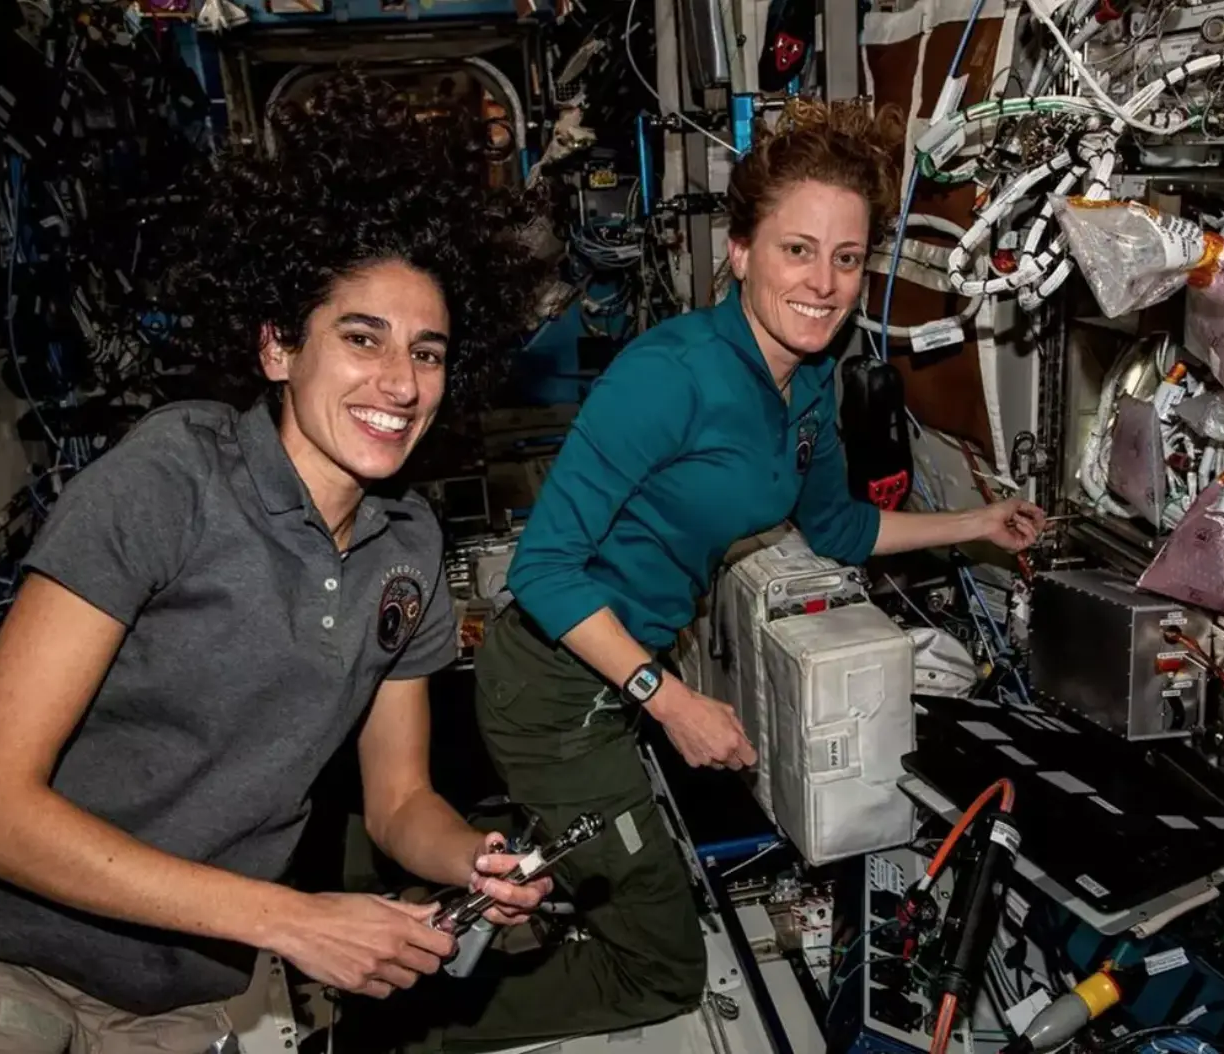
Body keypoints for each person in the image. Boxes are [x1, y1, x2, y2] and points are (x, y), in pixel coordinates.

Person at [0, 74, 553, 1053]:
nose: (398, 381)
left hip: (175, 1006)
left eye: (428, 353)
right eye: (361, 337)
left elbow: (398, 803)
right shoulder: (175, 475)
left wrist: (476, 860)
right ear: (276, 348)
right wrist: (291, 918)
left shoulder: (411, 547)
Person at [410, 98, 1047, 1052]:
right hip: (547, 690)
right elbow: (542, 569)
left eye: (846, 256)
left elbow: (834, 525)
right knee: (665, 963)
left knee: (637, 888)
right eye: (798, 250)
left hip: (612, 686)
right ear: (741, 251)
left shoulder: (813, 376)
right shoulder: (669, 374)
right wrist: (670, 701)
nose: (825, 283)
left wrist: (979, 523)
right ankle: (407, 1028)